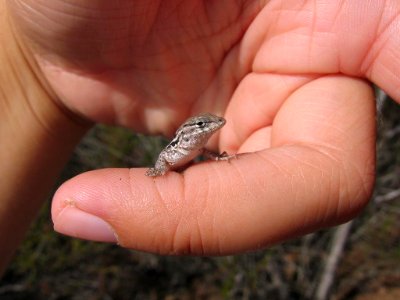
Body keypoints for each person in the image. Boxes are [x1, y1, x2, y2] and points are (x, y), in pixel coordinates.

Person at [0, 0, 398, 274]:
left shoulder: (199, 144)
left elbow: (203, 150)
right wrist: (33, 64)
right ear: (190, 131)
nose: (211, 127)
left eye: (209, 126)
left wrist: (33, 71)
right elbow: (167, 159)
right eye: (204, 126)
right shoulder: (175, 149)